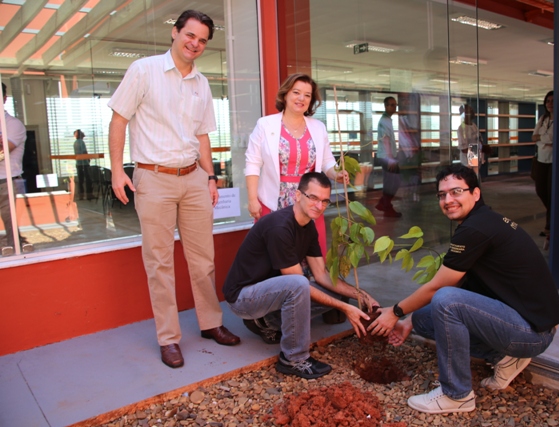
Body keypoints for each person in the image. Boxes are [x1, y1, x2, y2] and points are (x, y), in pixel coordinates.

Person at [369, 164, 559, 415]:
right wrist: (410, 320)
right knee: (425, 318)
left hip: (530, 333)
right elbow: (461, 282)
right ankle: (504, 357)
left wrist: (395, 312)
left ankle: (457, 395)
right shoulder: (484, 220)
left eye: (456, 192)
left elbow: (441, 286)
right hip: (533, 325)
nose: (448, 200)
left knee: (446, 300)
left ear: (475, 193)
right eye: (442, 195)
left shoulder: (475, 229)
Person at [107, 10, 240, 369]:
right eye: (190, 35)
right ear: (175, 32)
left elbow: (202, 136)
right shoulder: (144, 70)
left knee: (203, 259)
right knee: (160, 262)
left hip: (194, 177)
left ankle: (211, 323)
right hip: (153, 178)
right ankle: (169, 338)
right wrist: (118, 171)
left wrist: (211, 177)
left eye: (202, 40)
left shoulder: (202, 83)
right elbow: (119, 119)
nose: (194, 43)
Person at [223, 172, 378, 379]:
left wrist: (362, 296)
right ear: (297, 195)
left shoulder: (308, 226)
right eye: (312, 198)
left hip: (271, 291)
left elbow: (321, 275)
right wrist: (346, 309)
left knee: (336, 294)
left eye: (324, 201)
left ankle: (266, 322)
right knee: (299, 285)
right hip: (244, 297)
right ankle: (293, 358)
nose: (319, 205)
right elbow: (299, 284)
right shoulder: (280, 227)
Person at [245, 73, 348, 256]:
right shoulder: (265, 125)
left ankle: (308, 285)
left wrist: (336, 173)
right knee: (275, 255)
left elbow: (326, 162)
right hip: (273, 200)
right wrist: (253, 199)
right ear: (285, 94)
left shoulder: (318, 127)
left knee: (309, 255)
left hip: (309, 200)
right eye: (296, 92)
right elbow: (253, 163)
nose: (301, 98)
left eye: (307, 95)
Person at [0, 82, 32, 255]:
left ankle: (17, 251)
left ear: (4, 99)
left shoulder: (13, 125)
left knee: (11, 224)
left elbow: (4, 150)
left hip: (7, 182)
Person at [531, 91, 554, 249]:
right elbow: (534, 136)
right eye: (547, 101)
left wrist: (541, 138)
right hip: (541, 160)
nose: (550, 104)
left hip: (553, 161)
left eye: (553, 101)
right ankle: (553, 215)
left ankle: (549, 227)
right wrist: (542, 138)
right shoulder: (543, 118)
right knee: (541, 191)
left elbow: (551, 139)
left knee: (551, 193)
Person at [374, 96, 402, 217]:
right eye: (391, 105)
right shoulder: (384, 121)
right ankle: (385, 205)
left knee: (392, 182)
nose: (394, 107)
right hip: (386, 157)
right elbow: (386, 139)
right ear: (385, 106)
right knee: (393, 182)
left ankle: (384, 203)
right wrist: (390, 158)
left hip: (388, 156)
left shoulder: (388, 119)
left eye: (395, 105)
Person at [457, 104, 483, 177]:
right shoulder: (462, 128)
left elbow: (479, 140)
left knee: (476, 178)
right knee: (472, 179)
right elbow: (463, 148)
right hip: (468, 162)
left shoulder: (474, 126)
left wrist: (482, 150)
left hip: (475, 158)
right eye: (468, 111)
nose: (471, 112)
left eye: (471, 110)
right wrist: (476, 153)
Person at [73, 129, 93, 200]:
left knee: (80, 180)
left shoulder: (75, 143)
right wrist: (88, 159)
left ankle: (81, 195)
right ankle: (89, 195)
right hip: (84, 163)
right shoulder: (81, 142)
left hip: (78, 164)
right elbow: (84, 152)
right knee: (88, 180)